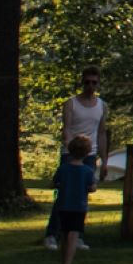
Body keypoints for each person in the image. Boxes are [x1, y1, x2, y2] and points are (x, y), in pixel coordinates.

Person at [49, 72, 106, 246]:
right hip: (70, 153)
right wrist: (70, 148)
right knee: (64, 195)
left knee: (82, 196)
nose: (90, 86)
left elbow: (102, 133)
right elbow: (66, 128)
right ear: (82, 83)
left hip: (90, 154)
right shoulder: (71, 104)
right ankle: (52, 234)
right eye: (87, 82)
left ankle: (76, 235)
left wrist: (104, 159)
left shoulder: (102, 106)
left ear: (98, 84)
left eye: (94, 82)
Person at [48, 134, 98, 264]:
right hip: (79, 206)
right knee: (74, 235)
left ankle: (62, 262)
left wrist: (60, 185)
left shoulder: (63, 169)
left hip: (63, 205)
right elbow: (93, 188)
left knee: (64, 234)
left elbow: (52, 184)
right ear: (87, 152)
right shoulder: (87, 171)